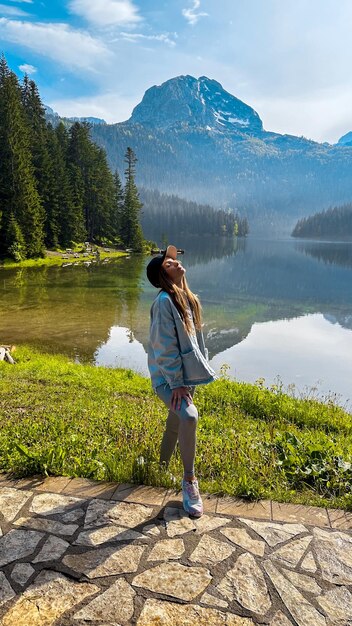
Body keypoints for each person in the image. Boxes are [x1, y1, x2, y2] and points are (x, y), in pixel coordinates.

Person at [146, 244, 216, 517]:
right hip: (168, 378)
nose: (174, 264)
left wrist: (192, 375)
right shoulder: (164, 302)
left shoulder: (186, 298)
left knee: (175, 422)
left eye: (174, 261)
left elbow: (196, 342)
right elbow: (163, 348)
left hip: (184, 377)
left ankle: (160, 466)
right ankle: (189, 482)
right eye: (168, 264)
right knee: (188, 417)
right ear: (163, 277)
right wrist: (176, 383)